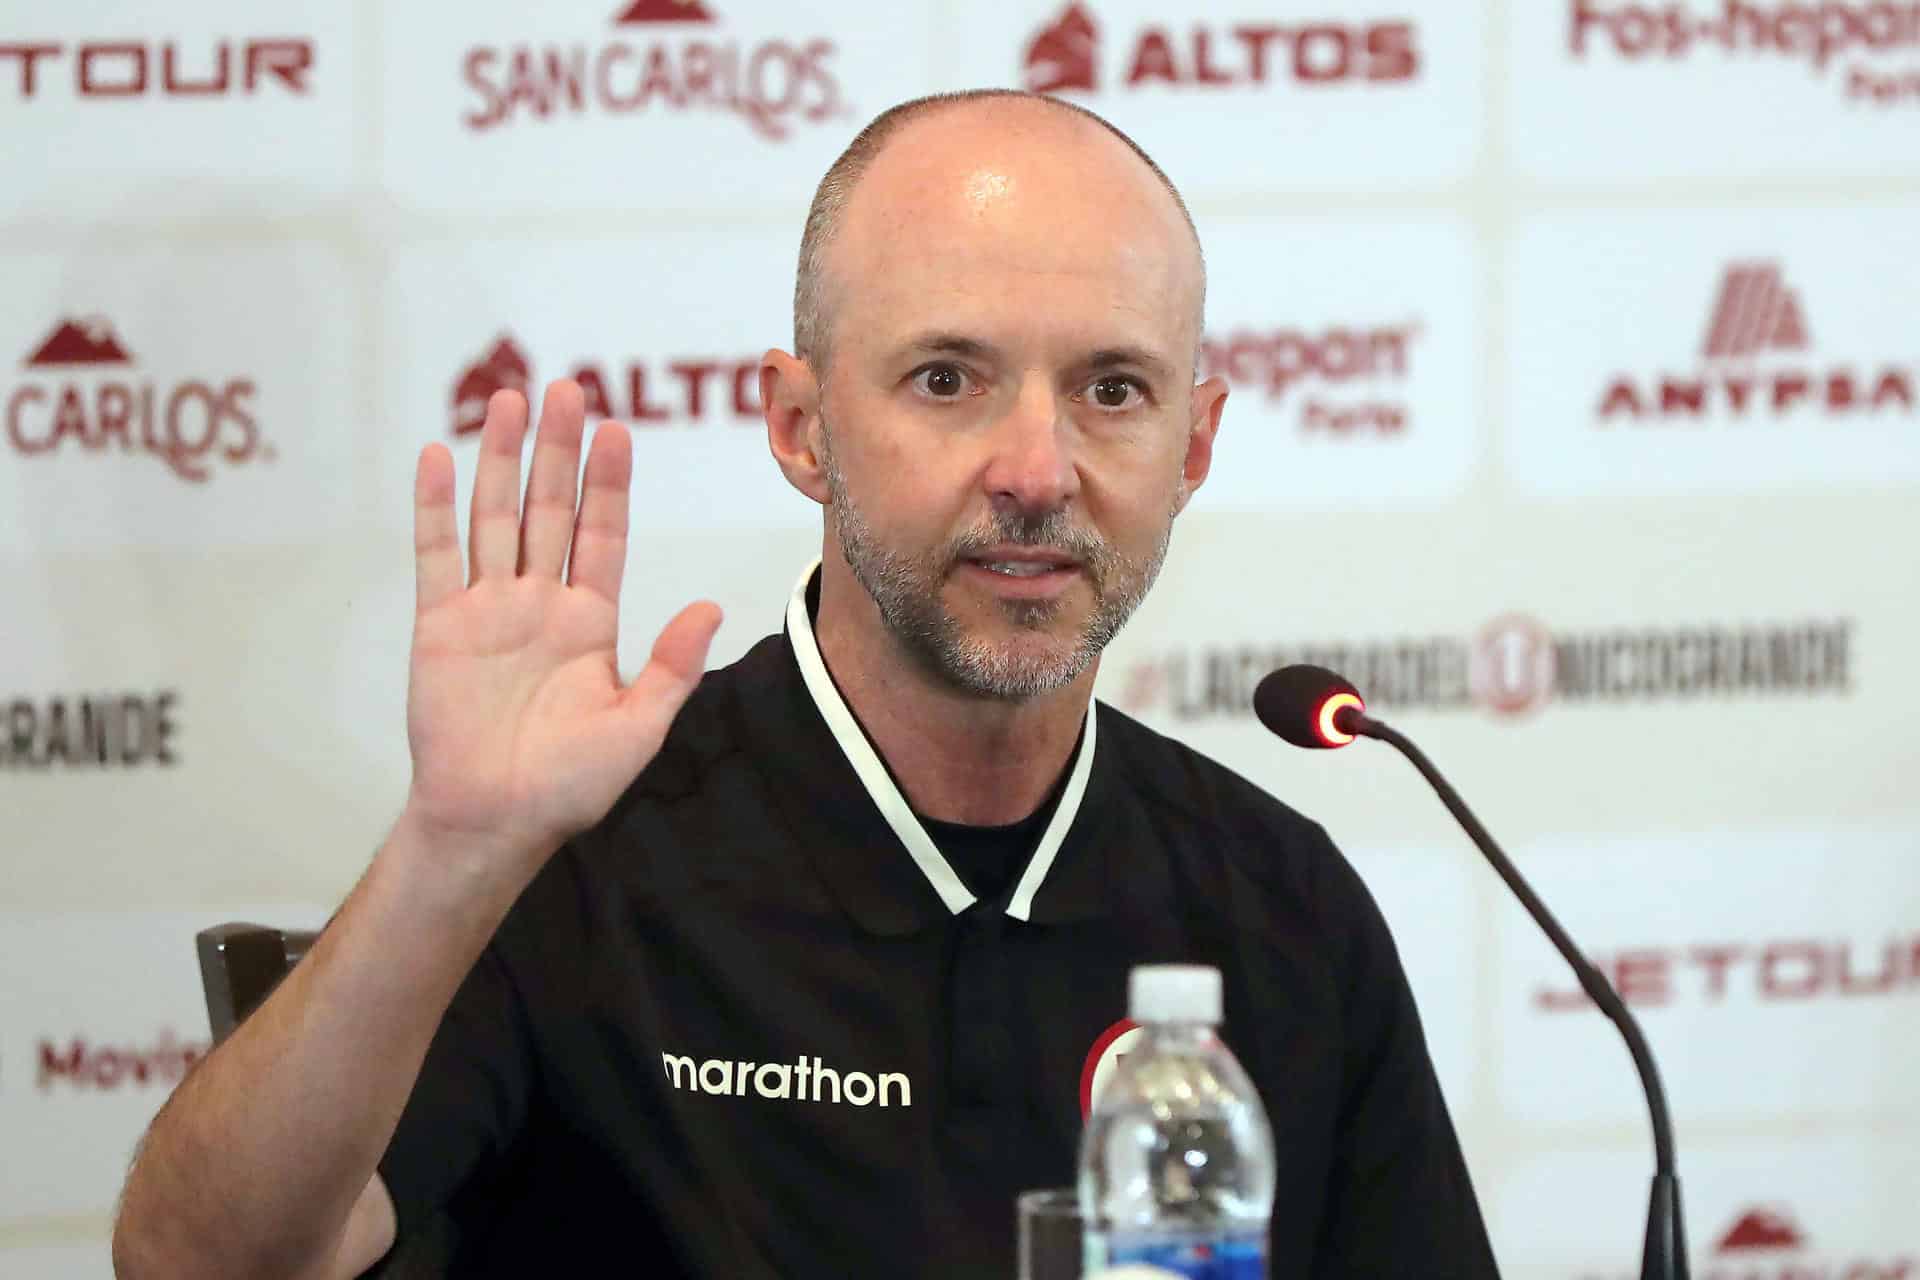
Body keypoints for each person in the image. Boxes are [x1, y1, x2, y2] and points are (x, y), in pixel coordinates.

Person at [112, 89, 1500, 1278]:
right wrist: (452, 851)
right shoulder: (572, 857)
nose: (1036, 468)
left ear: (1192, 451)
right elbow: (198, 1264)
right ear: (799, 425)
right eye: (948, 379)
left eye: (1113, 391)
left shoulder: (1284, 908)